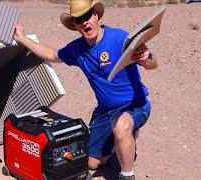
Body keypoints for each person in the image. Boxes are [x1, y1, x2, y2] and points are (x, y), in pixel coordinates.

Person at [13, 0, 157, 179]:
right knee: (91, 162)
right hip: (106, 112)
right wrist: (22, 39)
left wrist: (145, 58)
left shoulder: (120, 38)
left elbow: (153, 63)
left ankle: (127, 174)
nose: (85, 22)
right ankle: (119, 142)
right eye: (79, 19)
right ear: (75, 25)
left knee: (121, 126)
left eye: (88, 16)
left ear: (96, 16)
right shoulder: (77, 49)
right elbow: (51, 54)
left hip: (135, 105)